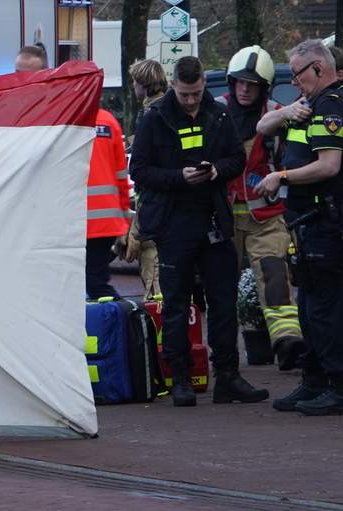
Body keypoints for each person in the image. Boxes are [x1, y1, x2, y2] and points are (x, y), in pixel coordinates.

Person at [130, 56, 266, 406]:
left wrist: (216, 171)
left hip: (213, 220)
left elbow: (236, 158)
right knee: (176, 302)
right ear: (173, 84)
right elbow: (140, 170)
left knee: (223, 301)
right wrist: (179, 178)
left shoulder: (217, 114)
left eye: (196, 93)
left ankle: (228, 378)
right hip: (174, 223)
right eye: (185, 94)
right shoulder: (156, 118)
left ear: (204, 84)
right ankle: (181, 380)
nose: (191, 101)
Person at [255, 39, 343, 415]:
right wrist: (288, 110)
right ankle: (314, 381)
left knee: (326, 308)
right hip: (307, 225)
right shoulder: (308, 104)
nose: (295, 82)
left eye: (297, 75)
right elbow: (263, 125)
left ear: (319, 70)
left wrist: (282, 177)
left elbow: (328, 166)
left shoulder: (330, 105)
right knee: (308, 307)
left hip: (326, 224)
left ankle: (337, 387)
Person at [14, 48, 130, 299]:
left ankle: (103, 332)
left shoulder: (59, 120)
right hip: (102, 223)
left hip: (68, 221)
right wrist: (124, 219)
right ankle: (113, 331)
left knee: (65, 289)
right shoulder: (108, 122)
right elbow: (122, 177)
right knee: (97, 285)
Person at [217, 46, 306, 369]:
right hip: (222, 220)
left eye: (252, 84)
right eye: (239, 82)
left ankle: (287, 344)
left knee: (275, 278)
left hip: (266, 218)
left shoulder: (278, 115)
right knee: (220, 288)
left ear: (263, 87)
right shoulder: (215, 113)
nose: (244, 89)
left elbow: (294, 159)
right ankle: (224, 355)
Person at [123, 59, 168, 297]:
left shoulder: (152, 114)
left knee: (154, 269)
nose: (132, 85)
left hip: (154, 204)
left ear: (142, 83)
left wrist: (137, 231)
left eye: (133, 81)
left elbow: (146, 166)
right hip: (164, 204)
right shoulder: (168, 108)